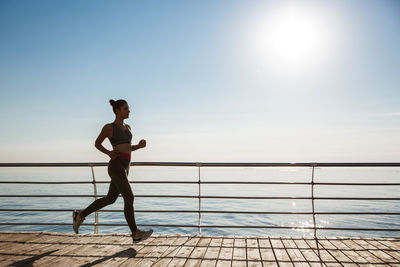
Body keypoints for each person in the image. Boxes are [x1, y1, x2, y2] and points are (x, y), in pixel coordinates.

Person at [72, 99, 153, 243]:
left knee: (110, 199)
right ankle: (135, 233)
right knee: (129, 198)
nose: (129, 110)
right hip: (116, 166)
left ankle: (80, 214)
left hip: (125, 167)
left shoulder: (128, 127)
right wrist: (109, 153)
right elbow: (97, 143)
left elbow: (127, 148)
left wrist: (138, 147)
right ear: (117, 110)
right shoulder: (109, 127)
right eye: (126, 108)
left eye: (128, 108)